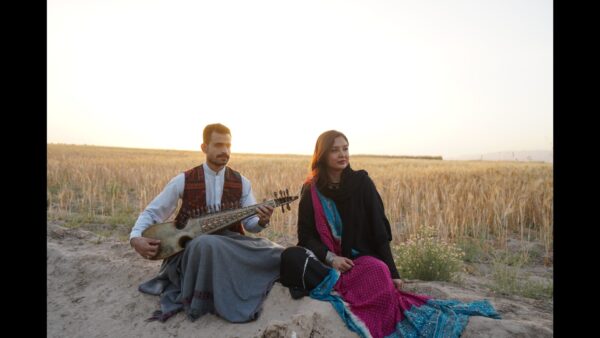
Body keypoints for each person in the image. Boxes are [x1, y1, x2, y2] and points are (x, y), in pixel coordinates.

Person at [280, 130, 500, 338]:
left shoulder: (362, 183)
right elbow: (306, 236)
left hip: (359, 262)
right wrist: (331, 258)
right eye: (335, 150)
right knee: (290, 256)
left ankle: (338, 288)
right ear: (322, 154)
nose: (342, 154)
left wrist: (393, 273)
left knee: (379, 270)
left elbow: (379, 231)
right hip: (329, 263)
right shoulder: (311, 189)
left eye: (345, 148)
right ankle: (336, 283)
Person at [130, 123, 284, 323]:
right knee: (206, 243)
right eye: (219, 145)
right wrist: (135, 239)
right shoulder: (183, 180)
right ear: (204, 147)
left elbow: (250, 225)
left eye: (228, 145)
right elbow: (153, 212)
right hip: (191, 251)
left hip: (230, 246)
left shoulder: (241, 182)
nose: (225, 151)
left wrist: (262, 221)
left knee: (276, 251)